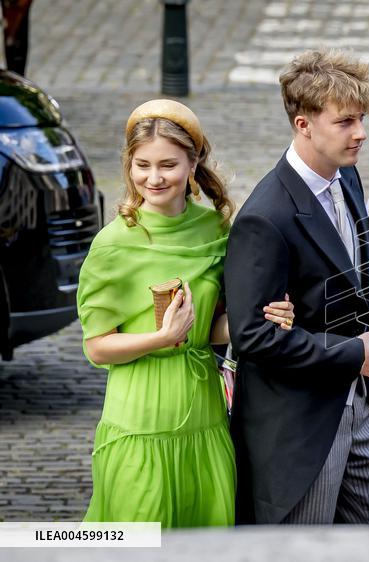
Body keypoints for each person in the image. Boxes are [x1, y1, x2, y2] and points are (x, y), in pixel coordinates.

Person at [225, 49, 369, 525]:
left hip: (362, 404)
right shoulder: (265, 218)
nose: (360, 133)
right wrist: (350, 354)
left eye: (361, 119)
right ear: (303, 125)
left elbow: (364, 288)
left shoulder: (347, 177)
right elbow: (252, 338)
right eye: (345, 122)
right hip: (301, 424)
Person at [77, 99, 296, 527]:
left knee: (205, 541)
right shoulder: (113, 244)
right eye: (142, 165)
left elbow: (210, 329)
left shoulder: (214, 229)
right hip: (140, 419)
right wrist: (161, 338)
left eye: (168, 165)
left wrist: (264, 318)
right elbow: (97, 347)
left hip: (205, 416)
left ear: (193, 164)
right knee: (141, 542)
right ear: (129, 165)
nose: (154, 178)